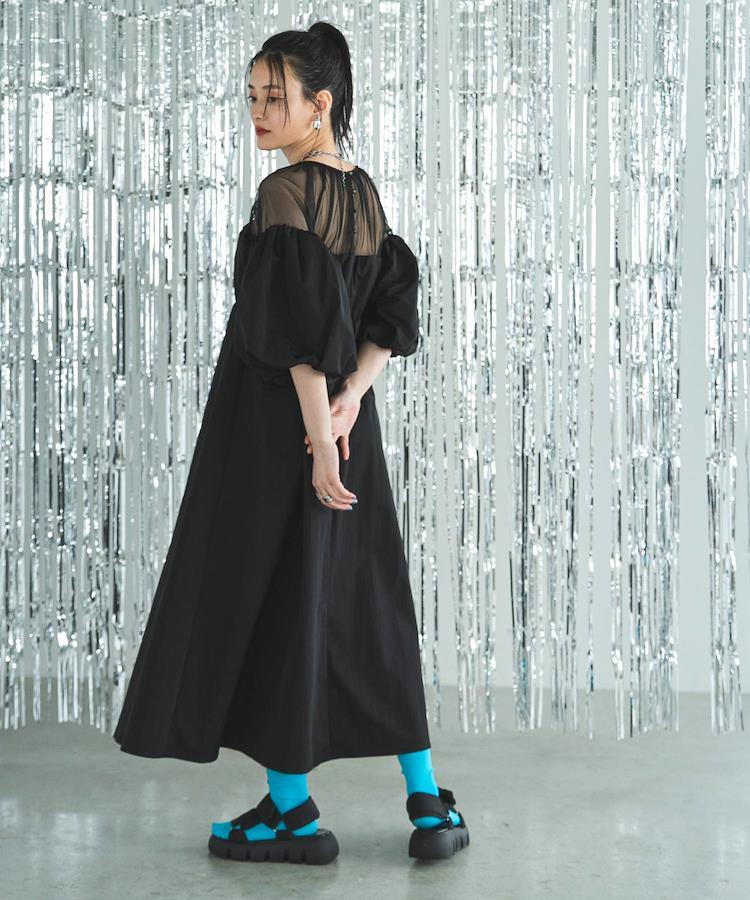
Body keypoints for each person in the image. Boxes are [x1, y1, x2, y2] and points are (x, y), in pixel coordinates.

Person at [113, 21, 469, 864]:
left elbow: (297, 337)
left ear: (322, 104)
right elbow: (388, 318)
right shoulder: (364, 192)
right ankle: (427, 804)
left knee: (276, 603)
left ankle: (292, 815)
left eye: (276, 97)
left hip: (278, 434)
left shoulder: (284, 194)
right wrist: (350, 406)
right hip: (345, 424)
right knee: (366, 603)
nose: (259, 112)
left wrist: (317, 434)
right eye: (252, 96)